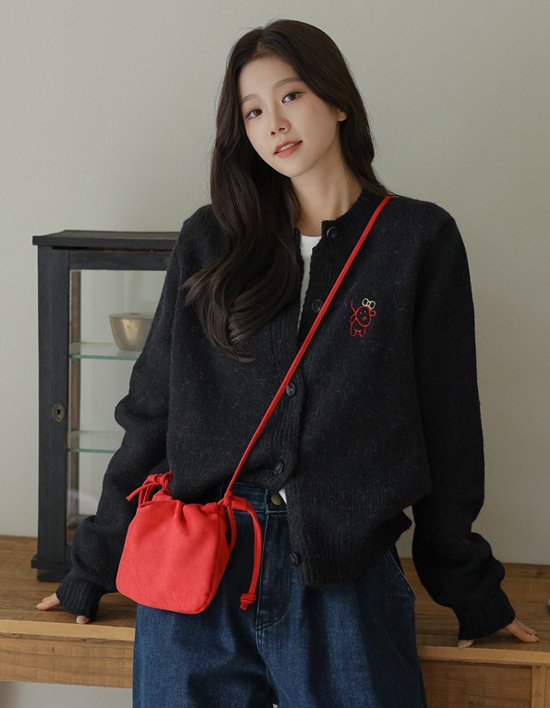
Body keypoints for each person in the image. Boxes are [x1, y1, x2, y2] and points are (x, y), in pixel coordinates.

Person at [36, 18, 539, 707]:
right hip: (198, 578)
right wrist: (94, 564)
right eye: (252, 111)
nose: (273, 122)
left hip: (342, 582)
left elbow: (449, 425)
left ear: (338, 100)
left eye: (291, 95)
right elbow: (154, 409)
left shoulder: (417, 240)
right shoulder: (211, 240)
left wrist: (471, 592)